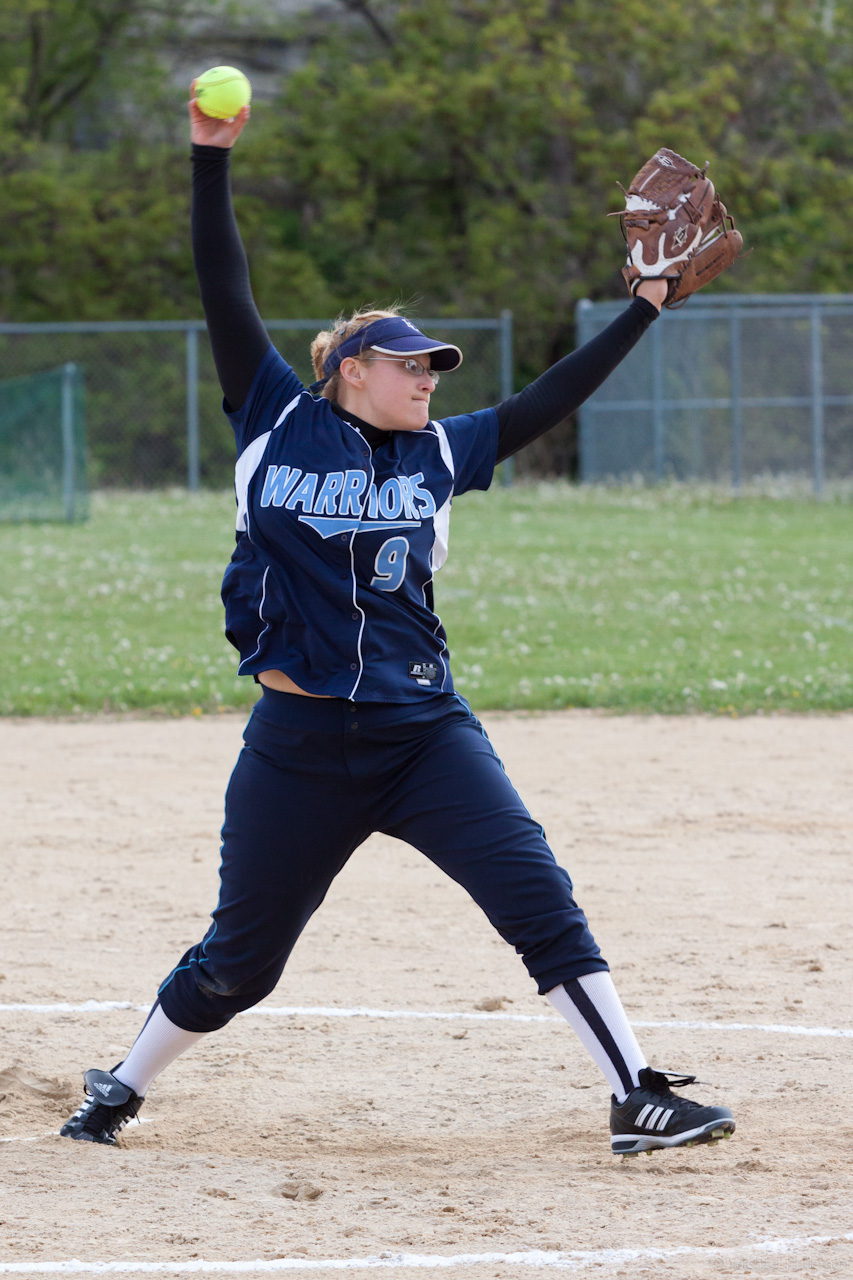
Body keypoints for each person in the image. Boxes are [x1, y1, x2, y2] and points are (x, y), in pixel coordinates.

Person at [60, 88, 735, 1158]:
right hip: (297, 745)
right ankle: (121, 1086)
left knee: (539, 899)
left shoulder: (442, 452)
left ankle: (634, 1092)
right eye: (408, 363)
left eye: (432, 366)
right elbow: (223, 283)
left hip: (423, 733)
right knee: (239, 963)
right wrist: (208, 159)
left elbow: (551, 397)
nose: (426, 378)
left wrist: (646, 305)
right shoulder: (274, 419)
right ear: (349, 372)